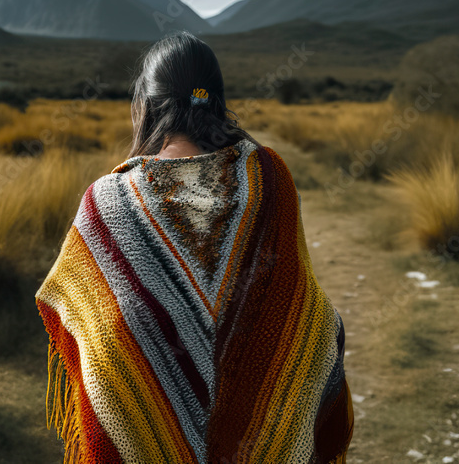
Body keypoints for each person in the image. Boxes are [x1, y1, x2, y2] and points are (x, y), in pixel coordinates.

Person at [35, 31, 354, 463]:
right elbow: (302, 307)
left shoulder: (108, 198)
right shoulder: (269, 180)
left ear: (146, 106)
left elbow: (93, 330)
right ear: (218, 101)